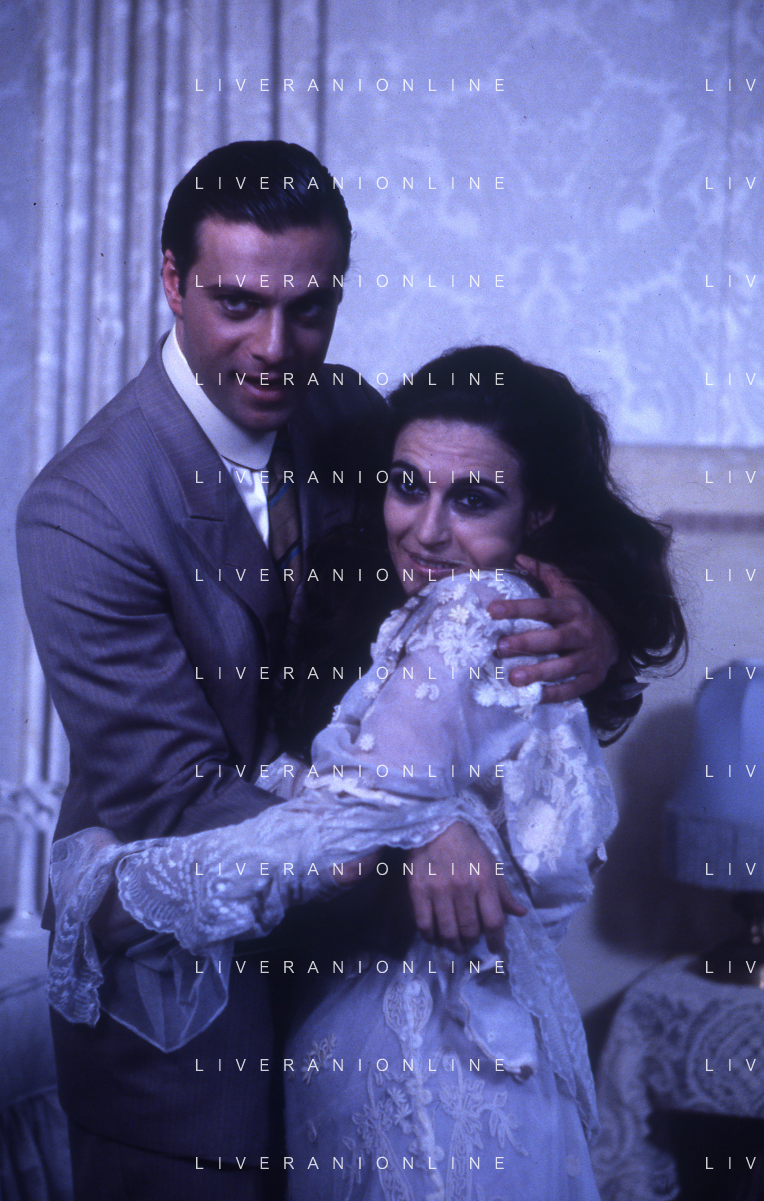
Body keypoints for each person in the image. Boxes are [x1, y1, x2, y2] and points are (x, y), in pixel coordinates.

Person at [16, 140, 625, 1198]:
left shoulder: (343, 413)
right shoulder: (82, 510)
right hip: (187, 1021)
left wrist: (590, 620)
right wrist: (415, 821)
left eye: (309, 308)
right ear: (172, 280)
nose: (274, 347)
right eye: (237, 303)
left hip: (363, 998)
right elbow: (174, 799)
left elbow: (493, 522)